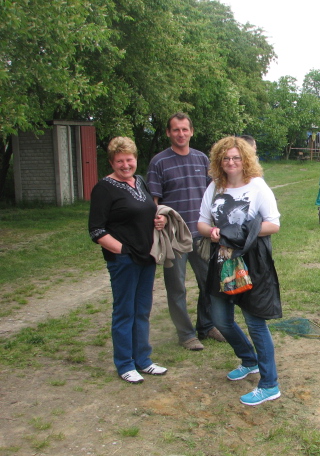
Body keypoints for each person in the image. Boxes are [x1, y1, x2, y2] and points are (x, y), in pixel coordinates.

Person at [197, 136, 282, 406]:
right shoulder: (215, 187)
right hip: (222, 260)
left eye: (236, 157)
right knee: (221, 319)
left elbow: (273, 225)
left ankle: (270, 384)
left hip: (251, 261)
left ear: (245, 159)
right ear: (219, 162)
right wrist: (212, 231)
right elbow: (201, 223)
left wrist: (239, 233)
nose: (231, 162)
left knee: (255, 323)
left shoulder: (257, 187)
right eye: (226, 158)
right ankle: (248, 359)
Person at [89, 137, 168, 384]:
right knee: (125, 312)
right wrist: (122, 250)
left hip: (146, 257)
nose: (125, 165)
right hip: (123, 261)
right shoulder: (104, 188)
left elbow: (146, 211)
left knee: (142, 310)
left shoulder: (140, 182)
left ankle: (143, 360)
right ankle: (124, 364)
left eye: (129, 159)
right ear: (112, 162)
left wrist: (159, 221)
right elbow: (96, 230)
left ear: (135, 159)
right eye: (120, 161)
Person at [147, 113, 224, 351]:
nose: (181, 134)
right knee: (177, 287)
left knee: (209, 283)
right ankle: (186, 334)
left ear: (191, 132)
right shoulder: (159, 162)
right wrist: (156, 217)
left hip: (202, 234)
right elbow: (154, 200)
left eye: (184, 129)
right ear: (169, 133)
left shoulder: (202, 160)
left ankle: (207, 325)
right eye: (175, 130)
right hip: (174, 237)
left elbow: (214, 195)